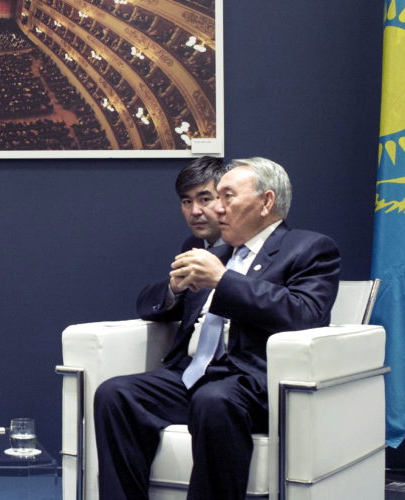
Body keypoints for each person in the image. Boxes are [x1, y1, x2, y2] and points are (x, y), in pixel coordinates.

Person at [95, 157, 341, 499]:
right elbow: (153, 306)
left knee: (213, 400)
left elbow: (306, 313)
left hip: (251, 383)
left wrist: (224, 281)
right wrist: (175, 288)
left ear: (266, 202)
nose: (217, 208)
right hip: (191, 375)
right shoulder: (217, 252)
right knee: (115, 393)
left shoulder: (308, 248)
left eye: (227, 197)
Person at [137, 156, 231, 325]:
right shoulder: (193, 245)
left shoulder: (245, 246)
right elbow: (150, 308)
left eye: (205, 199)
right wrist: (174, 288)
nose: (195, 211)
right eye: (187, 201)